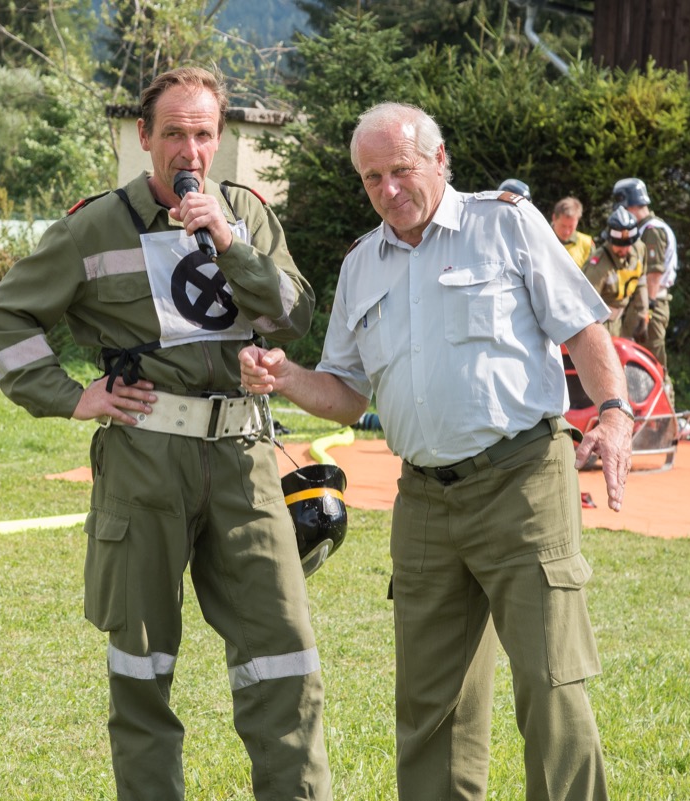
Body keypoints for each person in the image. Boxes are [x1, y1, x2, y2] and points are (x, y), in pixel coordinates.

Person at [241, 102, 633, 801]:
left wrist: (614, 412)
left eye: (401, 170)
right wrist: (287, 375)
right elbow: (346, 394)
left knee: (550, 685)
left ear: (440, 159)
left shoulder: (506, 224)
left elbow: (583, 326)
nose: (388, 190)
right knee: (431, 707)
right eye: (372, 178)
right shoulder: (361, 264)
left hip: (522, 482)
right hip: (423, 497)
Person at [0, 67, 331, 801]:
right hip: (144, 458)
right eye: (173, 133)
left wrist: (229, 242)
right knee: (142, 667)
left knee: (283, 656)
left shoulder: (248, 213)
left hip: (244, 460)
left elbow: (293, 317)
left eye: (202, 134)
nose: (189, 150)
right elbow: (5, 317)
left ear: (219, 138)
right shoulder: (95, 226)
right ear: (145, 137)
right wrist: (73, 398)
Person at [612, 177, 677, 372]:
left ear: (630, 205)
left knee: (652, 361)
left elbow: (654, 274)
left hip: (651, 303)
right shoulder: (643, 228)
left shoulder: (652, 231)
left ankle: (666, 392)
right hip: (641, 303)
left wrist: (646, 311)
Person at [583, 206, 649, 338]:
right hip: (600, 323)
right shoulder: (598, 266)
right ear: (609, 240)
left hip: (621, 321)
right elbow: (585, 305)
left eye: (628, 245)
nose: (624, 250)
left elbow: (641, 282)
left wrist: (643, 314)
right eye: (619, 245)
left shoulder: (639, 250)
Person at [551, 196, 595, 267]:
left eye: (571, 227)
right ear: (554, 218)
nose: (566, 232)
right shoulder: (540, 239)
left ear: (577, 221)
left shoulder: (587, 244)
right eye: (563, 226)